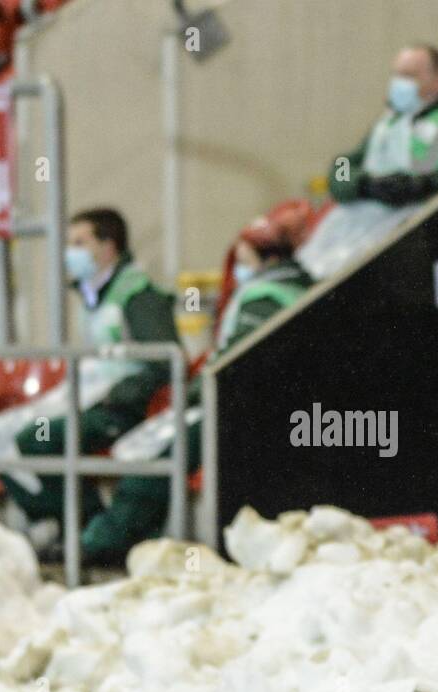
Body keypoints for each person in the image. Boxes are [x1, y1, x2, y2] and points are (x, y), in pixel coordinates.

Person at [93, 207, 315, 560]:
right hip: (253, 403)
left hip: (238, 406)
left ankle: (108, 542)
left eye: (242, 257)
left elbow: (235, 359)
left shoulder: (265, 296)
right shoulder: (295, 288)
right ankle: (132, 541)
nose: (237, 267)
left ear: (263, 256)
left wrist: (191, 393)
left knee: (162, 451)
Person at [0, 207, 178, 559]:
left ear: (108, 246)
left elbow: (164, 360)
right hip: (91, 399)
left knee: (39, 439)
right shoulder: (93, 294)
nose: (70, 252)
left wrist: (120, 396)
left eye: (79, 242)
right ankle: (58, 520)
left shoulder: (139, 294)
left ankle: (87, 526)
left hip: (123, 410)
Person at [328, 44, 438, 207]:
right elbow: (342, 167)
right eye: (396, 75)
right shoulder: (388, 123)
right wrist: (365, 185)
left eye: (409, 76)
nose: (398, 83)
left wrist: (423, 185)